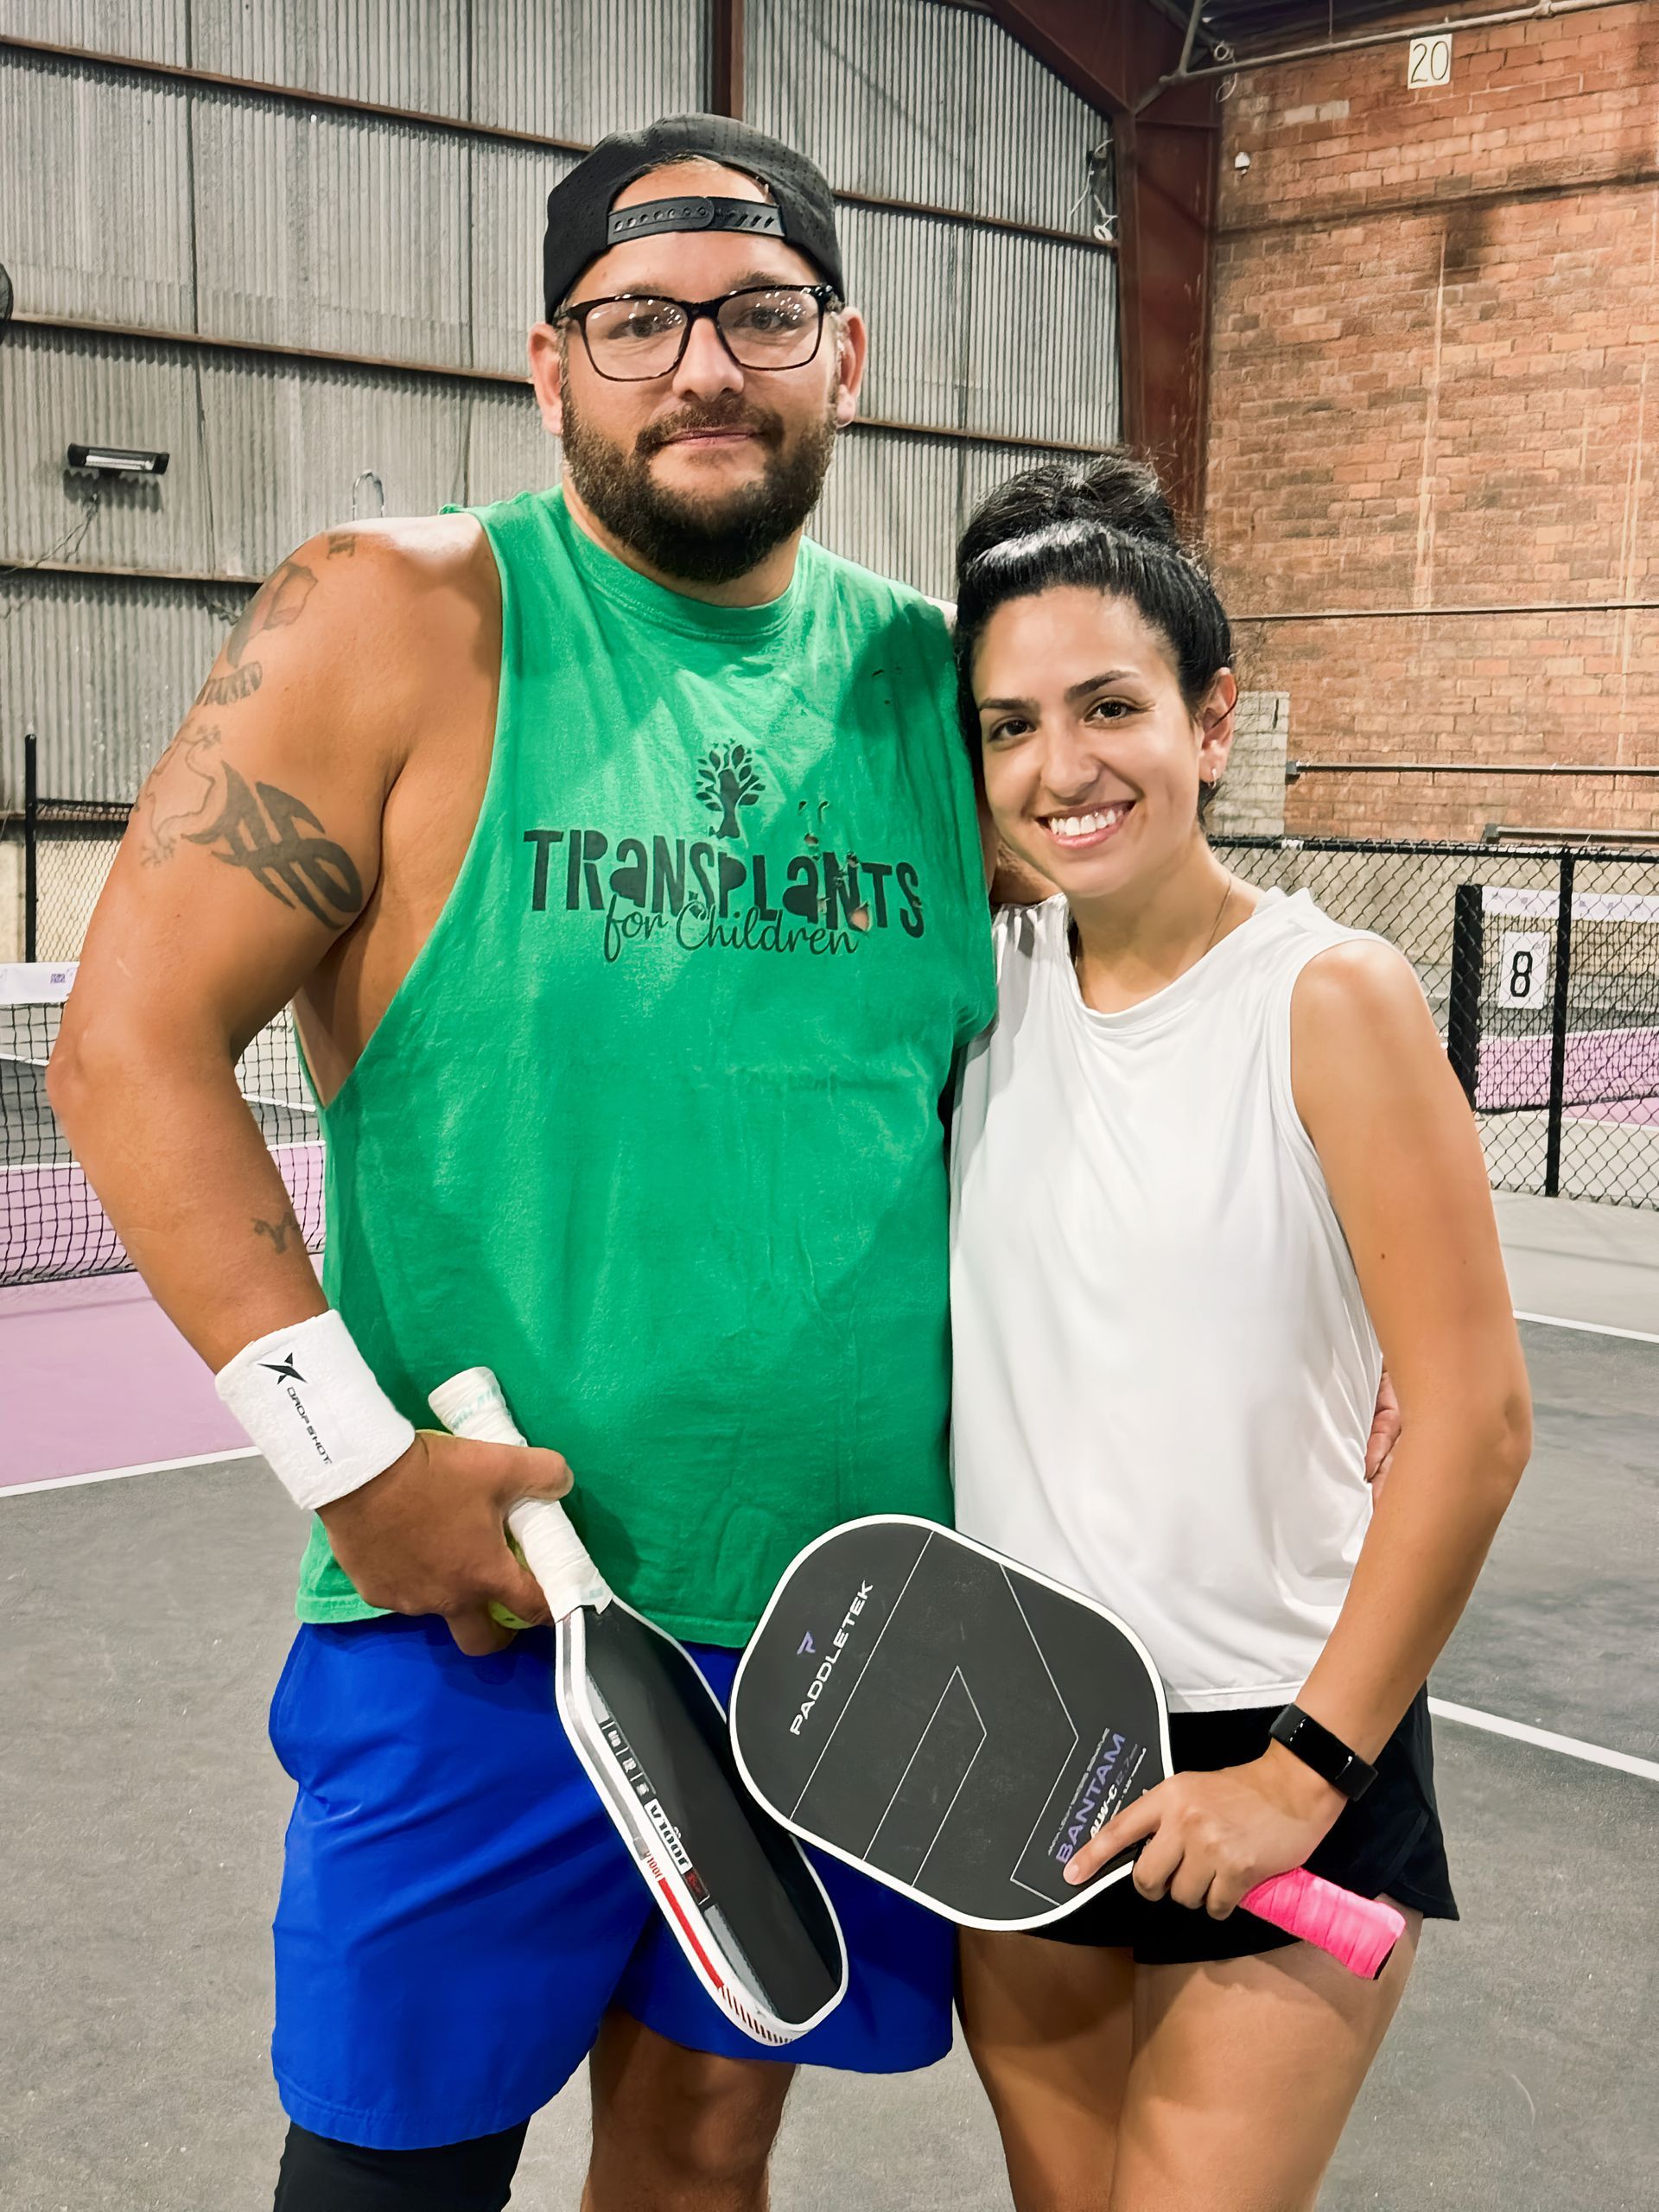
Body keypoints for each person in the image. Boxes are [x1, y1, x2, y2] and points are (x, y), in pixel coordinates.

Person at [50, 117, 996, 2212]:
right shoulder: (392, 613)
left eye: (758, 314)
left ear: (846, 353)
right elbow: (126, 1045)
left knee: (701, 2152)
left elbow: (1142, 1017)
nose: (703, 367)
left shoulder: (940, 689)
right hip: (491, 1613)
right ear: (546, 363)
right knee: (391, 2175)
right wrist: (348, 1461)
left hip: (842, 1620)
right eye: (636, 319)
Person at [946, 454, 1531, 2212]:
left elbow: (1480, 1418)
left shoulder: (1328, 997)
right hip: (1021, 1743)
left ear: (1211, 721)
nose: (1063, 765)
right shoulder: (970, 997)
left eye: (1111, 704)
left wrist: (1299, 1773)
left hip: (1280, 1745)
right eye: (1010, 723)